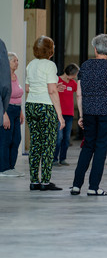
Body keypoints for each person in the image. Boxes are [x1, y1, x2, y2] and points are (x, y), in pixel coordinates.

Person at [71, 34, 107, 196]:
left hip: (89, 112)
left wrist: (81, 115)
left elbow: (79, 94)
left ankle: (76, 185)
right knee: (101, 148)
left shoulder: (85, 66)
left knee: (87, 147)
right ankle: (93, 187)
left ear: (95, 49)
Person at [25, 36, 65, 191]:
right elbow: (51, 91)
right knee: (48, 145)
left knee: (35, 144)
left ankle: (34, 181)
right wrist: (60, 115)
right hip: (46, 107)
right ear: (50, 50)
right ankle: (46, 182)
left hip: (31, 105)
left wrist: (51, 87)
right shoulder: (50, 65)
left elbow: (28, 88)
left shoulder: (31, 64)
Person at [0, 52, 24, 177]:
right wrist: (4, 114)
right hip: (7, 110)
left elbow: (17, 95)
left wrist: (21, 111)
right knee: (6, 140)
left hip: (16, 110)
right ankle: (3, 169)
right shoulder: (3, 76)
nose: (17, 63)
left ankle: (11, 167)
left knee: (16, 139)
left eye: (17, 60)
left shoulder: (15, 76)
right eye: (14, 60)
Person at [53, 63, 79, 166]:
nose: (75, 77)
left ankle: (63, 158)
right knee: (58, 137)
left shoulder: (73, 83)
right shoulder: (57, 80)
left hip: (69, 114)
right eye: (75, 74)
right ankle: (54, 159)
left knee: (66, 138)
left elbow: (79, 92)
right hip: (59, 114)